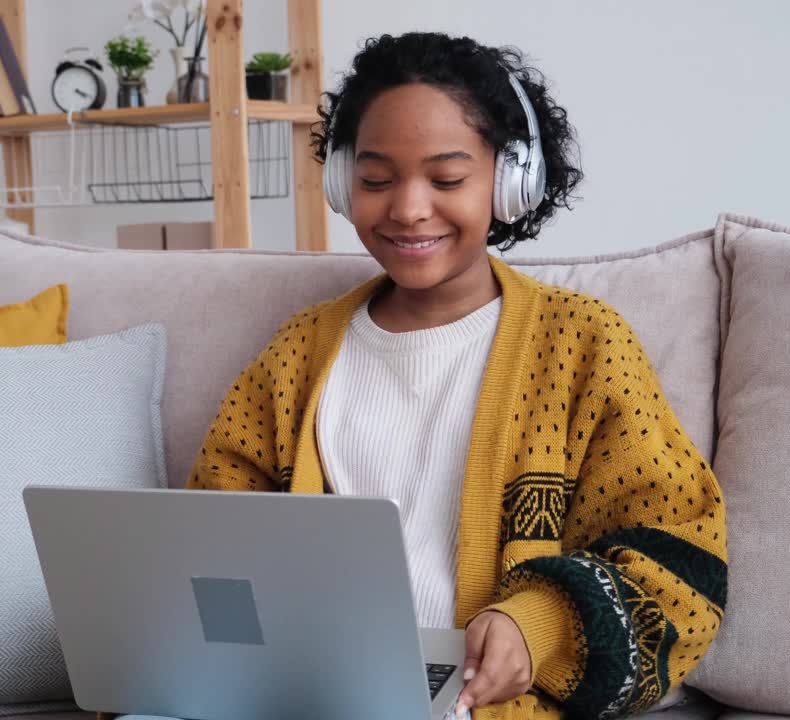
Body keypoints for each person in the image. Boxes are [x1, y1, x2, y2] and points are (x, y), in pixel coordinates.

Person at [185, 32, 728, 720]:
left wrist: (538, 623)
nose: (409, 209)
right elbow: (210, 526)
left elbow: (676, 550)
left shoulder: (585, 342)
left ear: (510, 182)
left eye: (446, 180)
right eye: (377, 180)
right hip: (303, 691)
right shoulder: (298, 354)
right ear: (340, 181)